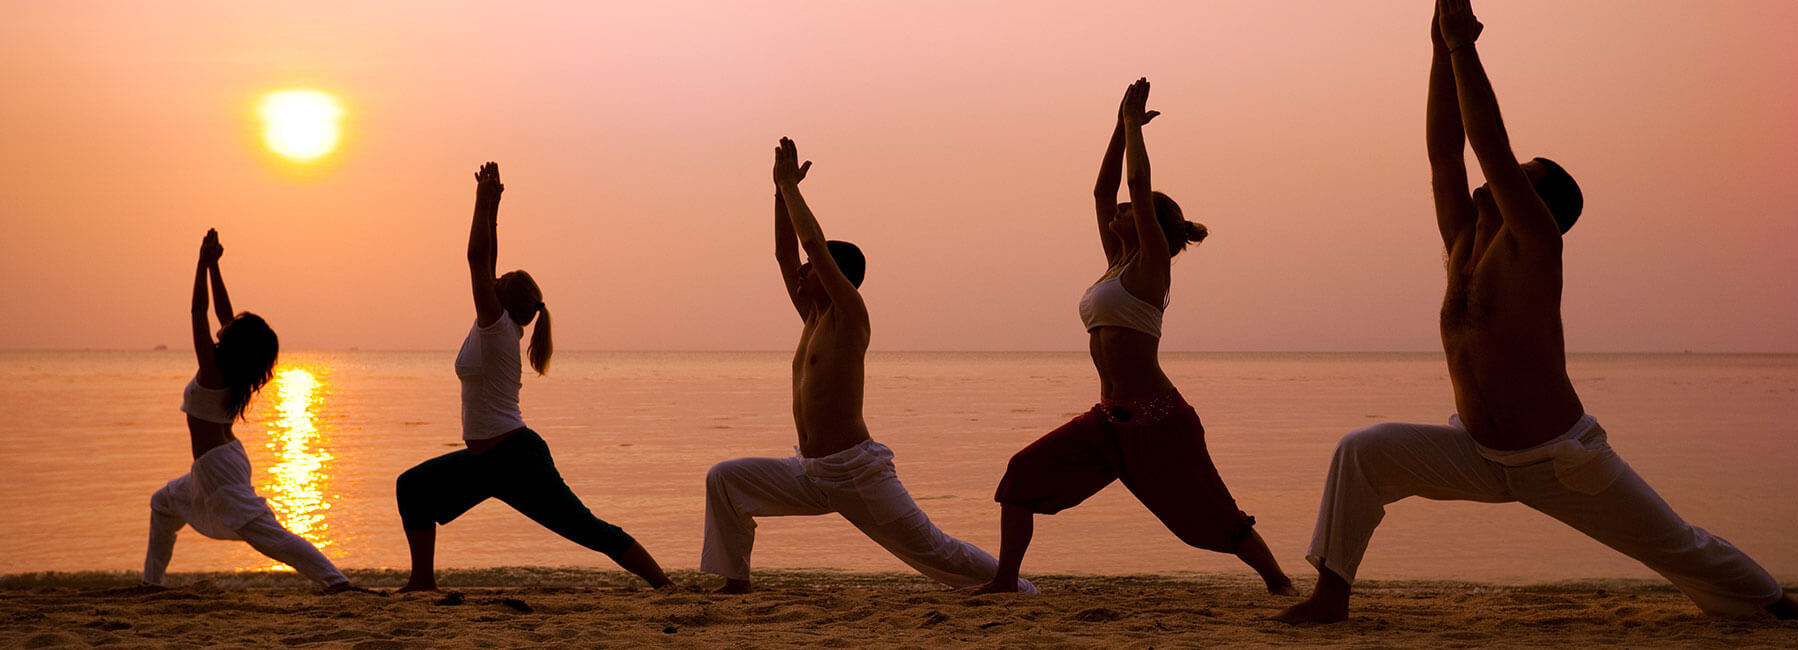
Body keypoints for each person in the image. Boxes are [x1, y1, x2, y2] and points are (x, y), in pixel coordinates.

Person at [1276, 0, 1798, 623]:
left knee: (1681, 549)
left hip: (1562, 462)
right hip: (1478, 453)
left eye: (1519, 178)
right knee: (1362, 451)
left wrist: (1461, 47)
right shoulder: (1464, 247)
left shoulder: (1535, 241)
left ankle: (1781, 609)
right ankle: (1330, 599)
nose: (1494, 181)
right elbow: (1444, 155)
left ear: (1536, 203)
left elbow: (1488, 146)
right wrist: (1435, 50)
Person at [974, 79, 1295, 595]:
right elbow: (1103, 191)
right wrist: (1117, 127)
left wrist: (1134, 128)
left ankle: (1279, 582)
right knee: (1022, 476)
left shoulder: (1151, 265)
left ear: (1152, 227)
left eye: (1130, 210)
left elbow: (1138, 189)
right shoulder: (1113, 263)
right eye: (1120, 210)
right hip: (1107, 422)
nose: (1119, 208)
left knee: (1210, 518)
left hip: (1160, 422)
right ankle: (1006, 580)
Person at [700, 138, 1030, 594]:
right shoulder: (812, 318)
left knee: (934, 550)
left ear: (835, 275)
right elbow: (785, 254)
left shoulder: (849, 317)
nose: (801, 272)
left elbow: (811, 244)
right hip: (811, 471)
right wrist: (779, 193)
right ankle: (737, 582)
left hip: (855, 472)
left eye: (812, 268)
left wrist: (791, 188)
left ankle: (1016, 587)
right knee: (726, 479)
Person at [394, 162, 672, 592]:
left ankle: (664, 584)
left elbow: (477, 258)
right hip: (486, 461)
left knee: (586, 528)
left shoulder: (496, 328)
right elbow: (488, 261)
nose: (493, 279)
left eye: (498, 282)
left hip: (515, 460)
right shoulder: (498, 325)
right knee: (413, 488)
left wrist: (480, 200)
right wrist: (495, 206)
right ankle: (422, 582)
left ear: (504, 299)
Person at [144, 228, 362, 593]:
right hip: (214, 463)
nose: (222, 330)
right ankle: (151, 584)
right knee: (163, 505)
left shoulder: (213, 370)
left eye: (230, 331)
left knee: (267, 534)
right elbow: (222, 315)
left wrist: (200, 262)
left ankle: (337, 581)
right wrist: (215, 266)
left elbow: (199, 311)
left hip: (218, 467)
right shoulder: (231, 372)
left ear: (235, 345)